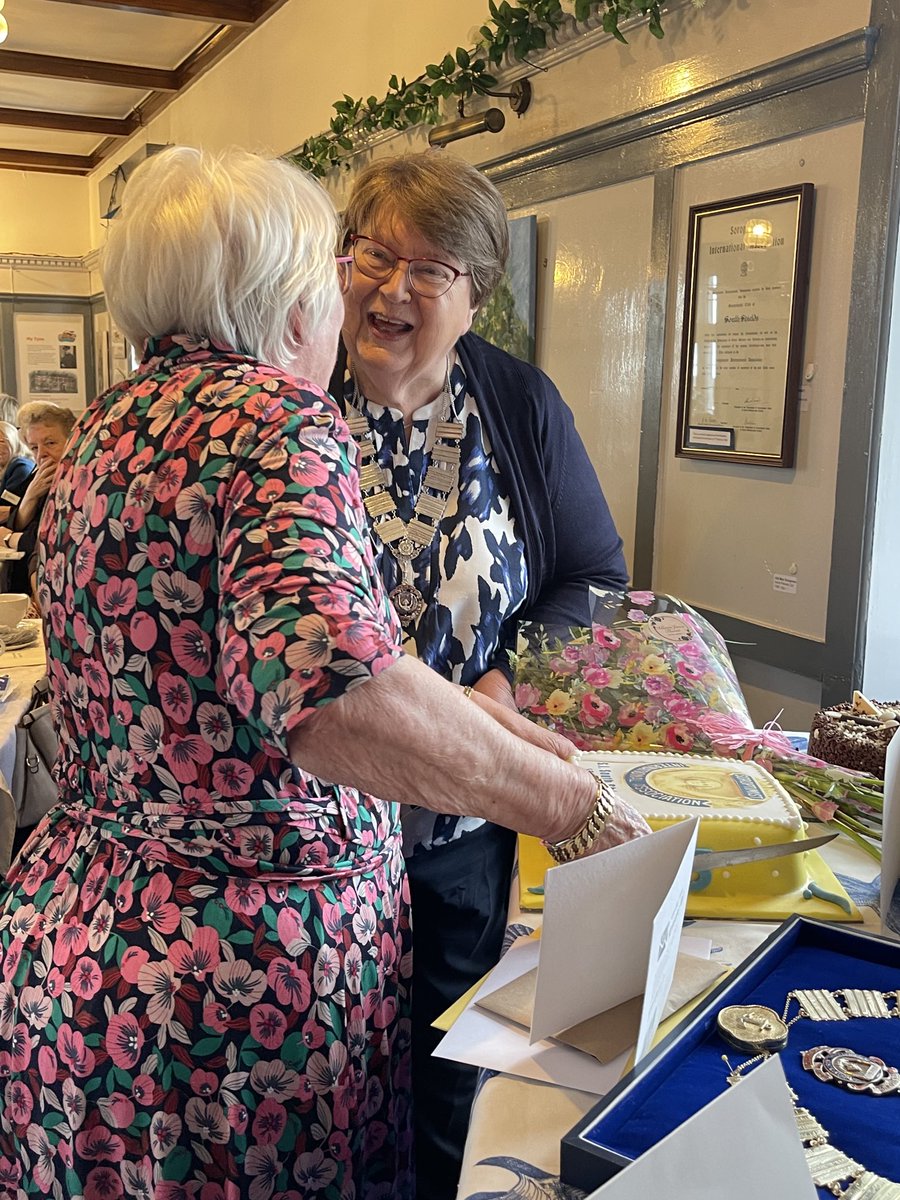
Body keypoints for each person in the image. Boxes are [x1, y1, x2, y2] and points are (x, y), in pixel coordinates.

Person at [0, 146, 647, 1200]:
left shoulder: (108, 427)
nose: (358, 296)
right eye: (344, 263)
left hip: (93, 947)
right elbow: (337, 697)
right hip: (236, 983)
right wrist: (566, 801)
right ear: (287, 293)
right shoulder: (272, 420)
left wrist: (515, 730)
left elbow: (337, 661)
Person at [332, 151, 631, 1199]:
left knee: (458, 1075)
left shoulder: (520, 405)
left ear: (477, 293)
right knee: (332, 1089)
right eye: (374, 253)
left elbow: (593, 576)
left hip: (467, 825)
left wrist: (503, 692)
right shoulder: (290, 398)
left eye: (431, 268)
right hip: (320, 836)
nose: (392, 288)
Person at [0, 401, 75, 600]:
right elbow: (20, 522)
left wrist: (10, 538)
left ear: (73, 441)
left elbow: (50, 539)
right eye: (34, 447)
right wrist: (31, 497)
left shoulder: (79, 482)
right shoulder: (38, 475)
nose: (41, 454)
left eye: (50, 443)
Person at [0, 419, 35, 516]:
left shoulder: (21, 467)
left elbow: (7, 504)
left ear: (13, 442)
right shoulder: (5, 465)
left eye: (1, 441)